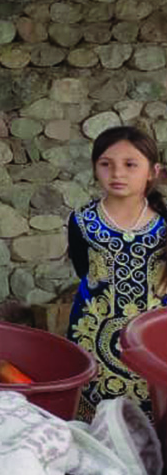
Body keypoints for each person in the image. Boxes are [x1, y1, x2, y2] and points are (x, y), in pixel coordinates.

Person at [67, 125, 166, 421]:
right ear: (95, 169)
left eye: (130, 164)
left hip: (154, 341)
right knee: (94, 421)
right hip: (91, 334)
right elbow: (83, 270)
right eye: (106, 164)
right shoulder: (82, 221)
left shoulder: (164, 224)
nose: (117, 173)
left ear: (153, 171)